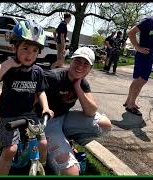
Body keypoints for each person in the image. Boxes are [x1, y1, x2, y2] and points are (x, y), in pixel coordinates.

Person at [0, 20, 54, 175]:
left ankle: (41, 167)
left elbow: (40, 91)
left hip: (29, 114)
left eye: (35, 50)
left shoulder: (38, 71)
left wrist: (46, 107)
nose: (30, 54)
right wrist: (7, 64)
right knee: (10, 150)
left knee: (42, 143)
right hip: (9, 115)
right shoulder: (9, 69)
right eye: (25, 48)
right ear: (14, 47)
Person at [35, 47, 112, 175]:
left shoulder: (82, 83)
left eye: (86, 63)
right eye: (78, 61)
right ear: (71, 61)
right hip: (47, 123)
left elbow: (91, 111)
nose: (81, 66)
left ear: (90, 69)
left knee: (104, 125)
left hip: (64, 118)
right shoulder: (53, 77)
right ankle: (49, 151)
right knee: (72, 172)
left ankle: (66, 141)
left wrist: (77, 87)